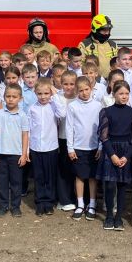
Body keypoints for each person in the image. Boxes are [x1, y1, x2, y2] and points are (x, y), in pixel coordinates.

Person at [97, 80, 132, 231]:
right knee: (109, 185)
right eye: (121, 93)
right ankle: (109, 216)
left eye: (127, 93)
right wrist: (112, 155)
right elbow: (104, 136)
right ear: (113, 94)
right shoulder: (106, 111)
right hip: (110, 150)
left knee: (122, 186)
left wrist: (127, 156)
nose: (124, 96)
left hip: (126, 150)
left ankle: (119, 217)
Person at [66, 76, 103, 221]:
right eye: (80, 90)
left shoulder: (98, 105)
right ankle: (80, 204)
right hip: (78, 147)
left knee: (93, 177)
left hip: (94, 146)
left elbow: (101, 128)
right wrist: (70, 148)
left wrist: (100, 146)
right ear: (76, 91)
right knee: (80, 176)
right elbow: (69, 128)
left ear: (91, 89)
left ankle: (92, 204)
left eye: (86, 89)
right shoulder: (73, 106)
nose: (84, 93)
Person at [0, 83, 30, 217]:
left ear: (20, 98)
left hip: (16, 154)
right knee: (2, 182)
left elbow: (25, 135)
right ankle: (3, 206)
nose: (11, 99)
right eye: (8, 96)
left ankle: (15, 206)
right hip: (1, 154)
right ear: (4, 97)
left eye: (14, 96)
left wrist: (24, 154)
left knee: (16, 182)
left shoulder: (23, 115)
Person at [28, 78, 65, 216]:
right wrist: (27, 150)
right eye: (40, 94)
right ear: (35, 93)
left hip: (51, 147)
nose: (43, 97)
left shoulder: (53, 106)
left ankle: (49, 202)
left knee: (50, 176)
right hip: (36, 148)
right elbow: (29, 129)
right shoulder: (32, 108)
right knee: (39, 176)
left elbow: (62, 113)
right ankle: (39, 202)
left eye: (46, 93)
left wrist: (54, 94)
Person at [55, 70, 78, 211]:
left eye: (72, 84)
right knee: (63, 170)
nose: (69, 87)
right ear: (61, 84)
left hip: (77, 139)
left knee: (75, 170)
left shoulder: (79, 98)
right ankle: (64, 199)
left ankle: (77, 198)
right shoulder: (58, 98)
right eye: (66, 84)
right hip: (62, 137)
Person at [78, 14, 118, 78]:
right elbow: (79, 66)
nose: (106, 33)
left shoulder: (113, 45)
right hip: (92, 81)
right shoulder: (84, 45)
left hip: (110, 81)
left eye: (108, 30)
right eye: (104, 30)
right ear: (95, 29)